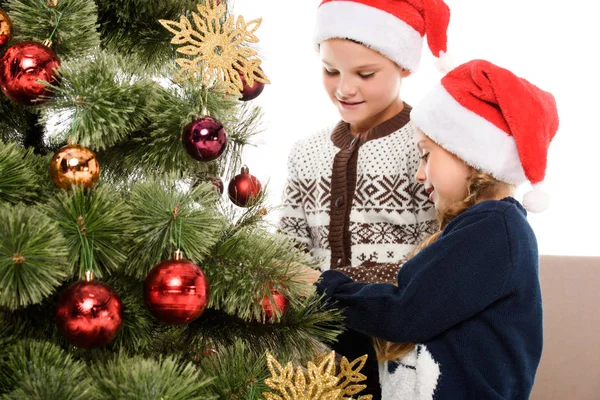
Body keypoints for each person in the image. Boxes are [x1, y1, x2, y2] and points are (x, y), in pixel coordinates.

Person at [301, 59, 559, 399]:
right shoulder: (472, 232)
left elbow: (403, 313)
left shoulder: (496, 229)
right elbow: (397, 332)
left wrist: (320, 288)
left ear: (468, 155)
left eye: (426, 155)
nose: (420, 174)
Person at [279, 1, 452, 396]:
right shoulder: (305, 153)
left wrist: (349, 282)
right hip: (319, 349)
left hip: (398, 349)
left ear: (403, 65)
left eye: (365, 73)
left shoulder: (426, 149)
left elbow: (441, 251)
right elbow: (288, 247)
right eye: (330, 70)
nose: (344, 88)